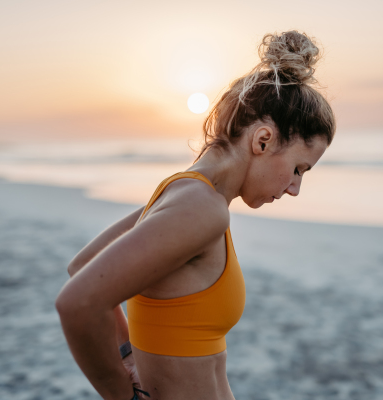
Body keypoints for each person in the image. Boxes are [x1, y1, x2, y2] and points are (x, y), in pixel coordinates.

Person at [55, 30, 336, 400]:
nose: (294, 188)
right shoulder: (202, 210)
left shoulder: (183, 192)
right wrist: (123, 394)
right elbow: (78, 302)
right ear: (262, 140)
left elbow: (83, 264)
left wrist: (126, 357)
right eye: (299, 169)